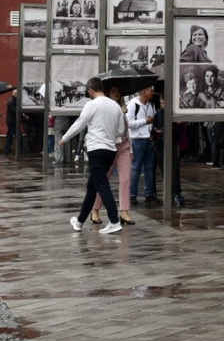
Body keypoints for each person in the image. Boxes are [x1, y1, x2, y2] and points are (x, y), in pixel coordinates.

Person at [59, 77, 127, 235]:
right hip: (110, 150)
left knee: (102, 186)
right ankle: (80, 220)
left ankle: (114, 221)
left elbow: (79, 123)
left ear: (90, 90)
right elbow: (120, 130)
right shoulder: (115, 106)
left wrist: (65, 138)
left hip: (96, 149)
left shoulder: (92, 104)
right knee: (92, 187)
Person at [94, 86, 136, 226]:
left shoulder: (123, 108)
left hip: (124, 147)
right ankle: (95, 209)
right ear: (107, 93)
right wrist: (119, 112)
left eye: (118, 91)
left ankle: (124, 211)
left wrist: (130, 149)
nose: (116, 94)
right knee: (103, 180)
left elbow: (125, 130)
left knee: (126, 179)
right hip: (109, 148)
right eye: (113, 91)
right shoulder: (107, 109)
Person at [127, 85, 160, 205]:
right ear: (144, 92)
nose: (152, 93)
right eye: (150, 91)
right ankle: (132, 194)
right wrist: (145, 121)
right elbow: (129, 123)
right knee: (136, 167)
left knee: (149, 168)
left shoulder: (151, 105)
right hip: (137, 139)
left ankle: (149, 194)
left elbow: (153, 120)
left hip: (149, 139)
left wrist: (153, 129)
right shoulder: (133, 105)